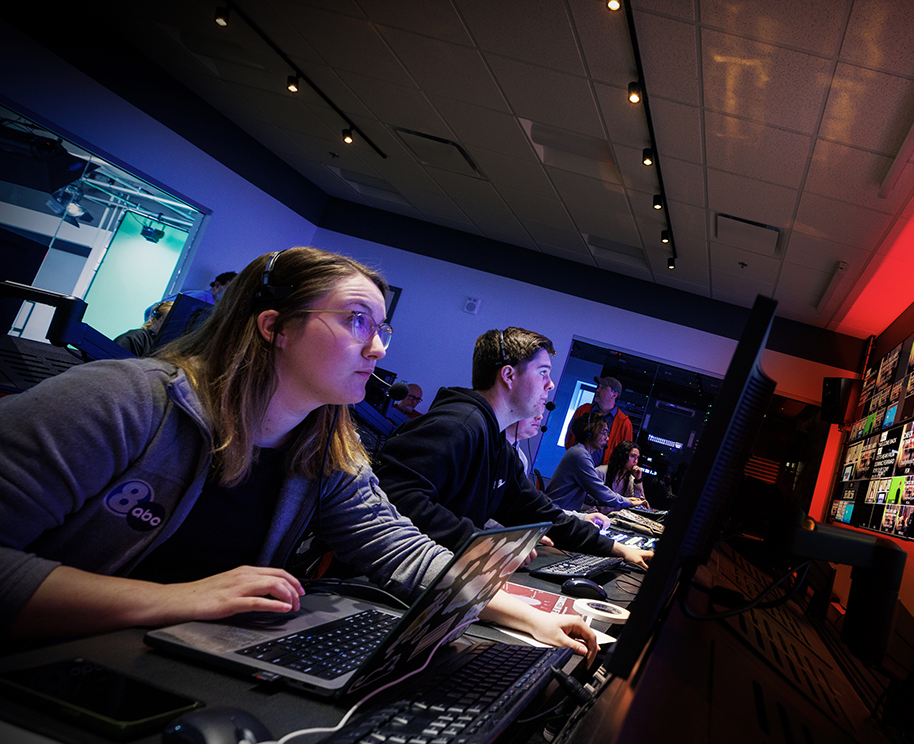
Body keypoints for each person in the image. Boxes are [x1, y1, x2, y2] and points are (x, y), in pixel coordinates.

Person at [0, 248, 595, 658]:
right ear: (273, 327)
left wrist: (527, 616)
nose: (378, 349)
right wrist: (177, 601)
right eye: (357, 321)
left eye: (382, 329)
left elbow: (400, 552)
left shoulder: (326, 445)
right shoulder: (124, 401)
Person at [374, 326, 651, 570]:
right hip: (381, 579)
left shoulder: (498, 446)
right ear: (508, 375)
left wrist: (616, 549)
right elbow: (397, 498)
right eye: (543, 372)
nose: (550, 384)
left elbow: (540, 511)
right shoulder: (459, 425)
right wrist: (485, 544)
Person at [546, 413, 646, 513]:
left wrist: (626, 500)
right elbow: (600, 492)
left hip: (561, 511)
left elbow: (589, 498)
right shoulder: (580, 455)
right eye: (604, 433)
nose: (607, 438)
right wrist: (627, 501)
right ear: (590, 433)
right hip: (556, 513)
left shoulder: (582, 454)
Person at [565, 375, 633, 467]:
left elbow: (626, 453)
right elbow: (570, 434)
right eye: (599, 387)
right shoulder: (583, 410)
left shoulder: (624, 423)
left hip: (601, 475)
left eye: (603, 388)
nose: (597, 390)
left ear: (614, 395)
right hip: (574, 465)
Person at [596, 440, 646, 512]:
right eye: (632, 456)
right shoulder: (600, 472)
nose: (636, 461)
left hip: (618, 519)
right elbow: (588, 504)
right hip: (597, 518)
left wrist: (638, 480)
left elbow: (639, 504)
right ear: (622, 456)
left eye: (637, 457)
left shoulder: (630, 479)